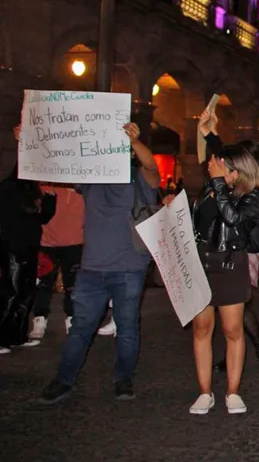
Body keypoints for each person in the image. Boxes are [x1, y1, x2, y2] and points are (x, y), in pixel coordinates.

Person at [40, 122, 160, 403]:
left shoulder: (138, 180)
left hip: (129, 267)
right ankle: (63, 379)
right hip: (92, 268)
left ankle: (123, 380)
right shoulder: (91, 180)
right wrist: (29, 143)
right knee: (81, 327)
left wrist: (134, 141)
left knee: (127, 326)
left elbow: (152, 167)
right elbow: (54, 168)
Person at [187, 140, 259, 415]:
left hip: (231, 264)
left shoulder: (255, 195)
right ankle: (204, 392)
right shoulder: (211, 189)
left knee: (232, 330)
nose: (215, 168)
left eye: (222, 166)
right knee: (201, 328)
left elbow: (233, 219)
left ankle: (232, 392)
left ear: (236, 172)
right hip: (203, 263)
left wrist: (219, 184)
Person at [1, 126, 57, 353]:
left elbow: (42, 219)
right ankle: (2, 336)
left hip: (30, 247)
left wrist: (50, 201)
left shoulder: (34, 191)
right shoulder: (8, 188)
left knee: (25, 293)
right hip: (14, 249)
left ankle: (17, 334)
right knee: (11, 292)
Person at [31, 183, 83, 341]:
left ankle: (72, 318)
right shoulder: (43, 184)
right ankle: (39, 319)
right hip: (47, 243)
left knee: (73, 285)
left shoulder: (84, 186)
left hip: (75, 242)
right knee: (43, 284)